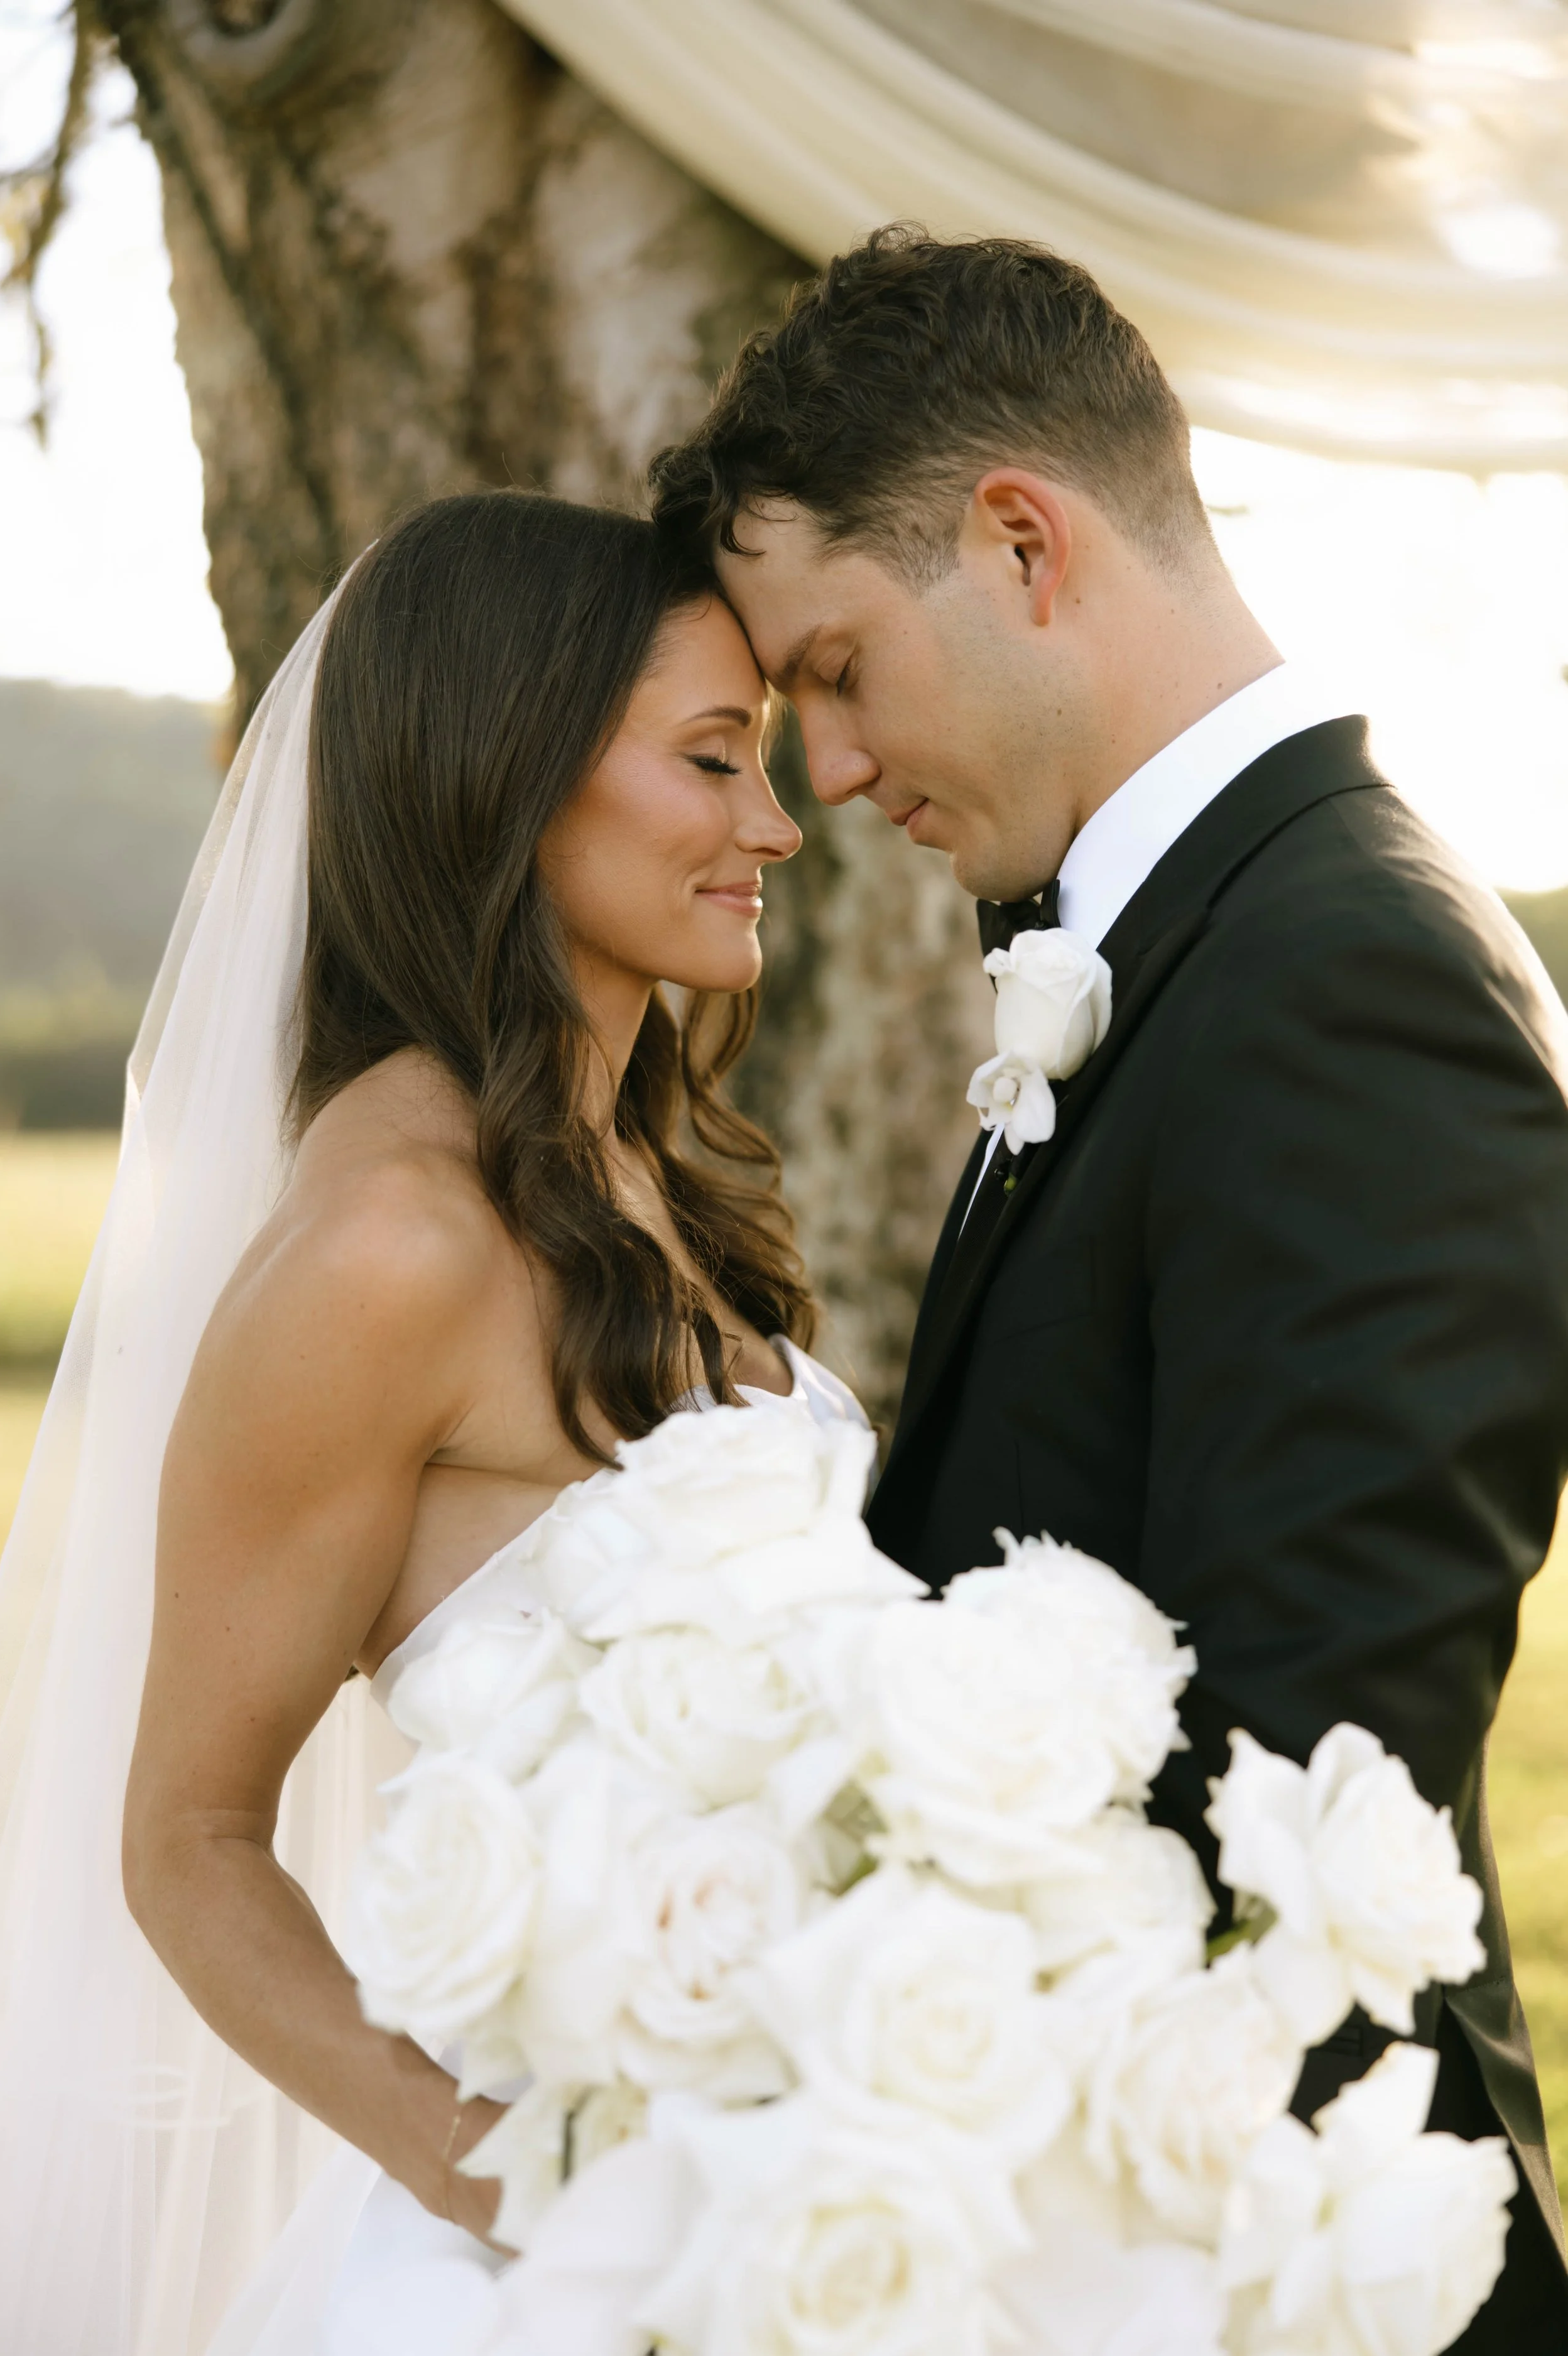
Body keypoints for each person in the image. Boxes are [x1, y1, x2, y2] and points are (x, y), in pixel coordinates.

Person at [649, 226, 1568, 2347]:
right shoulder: (1186, 943)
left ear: (1020, 542)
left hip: (1257, 2257)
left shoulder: (1347, 980)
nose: (828, 773)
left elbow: (1303, 1784)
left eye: (836, 670)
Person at [0, 489, 869, 2353]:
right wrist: (511, 2182)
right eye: (713, 759)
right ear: (510, 777)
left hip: (817, 2179)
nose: (776, 825)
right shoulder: (389, 1242)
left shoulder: (632, 1174)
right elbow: (188, 1838)